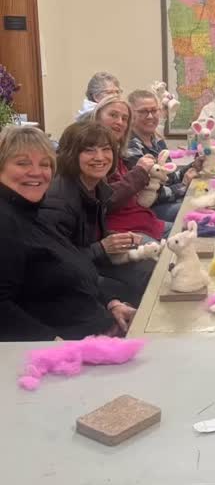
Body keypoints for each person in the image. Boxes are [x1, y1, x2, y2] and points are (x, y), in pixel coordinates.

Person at [0, 125, 133, 340]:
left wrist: (112, 304)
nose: (36, 172)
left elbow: (75, 268)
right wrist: (55, 345)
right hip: (65, 354)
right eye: (22, 163)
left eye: (45, 164)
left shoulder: (34, 212)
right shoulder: (6, 222)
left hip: (100, 330)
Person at [40, 122, 155, 307]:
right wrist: (102, 247)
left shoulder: (95, 186)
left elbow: (86, 236)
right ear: (71, 154)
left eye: (106, 149)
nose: (100, 157)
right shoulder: (58, 201)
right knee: (146, 276)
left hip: (89, 262)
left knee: (152, 263)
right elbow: (55, 264)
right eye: (89, 150)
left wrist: (113, 238)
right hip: (67, 281)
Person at [87, 95, 167, 240]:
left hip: (144, 221)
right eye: (113, 115)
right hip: (122, 230)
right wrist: (140, 171)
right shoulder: (91, 155)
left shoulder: (117, 153)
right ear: (97, 117)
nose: (119, 122)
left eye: (124, 119)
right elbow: (106, 200)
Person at [126, 89, 199, 222]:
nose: (150, 116)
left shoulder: (157, 140)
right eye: (143, 111)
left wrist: (194, 166)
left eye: (154, 110)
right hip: (146, 210)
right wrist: (183, 186)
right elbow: (150, 194)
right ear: (131, 115)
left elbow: (169, 178)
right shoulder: (130, 146)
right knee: (194, 212)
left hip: (164, 202)